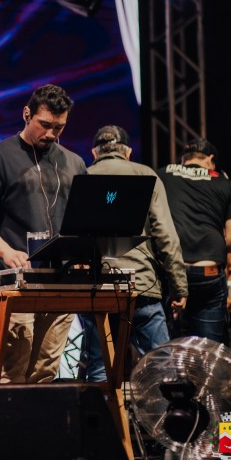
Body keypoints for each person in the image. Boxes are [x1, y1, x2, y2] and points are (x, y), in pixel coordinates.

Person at [0, 84, 87, 384]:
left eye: (59, 127)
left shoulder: (75, 163)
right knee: (12, 372)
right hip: (13, 281)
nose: (51, 134)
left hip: (61, 281)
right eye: (45, 124)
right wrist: (6, 251)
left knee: (46, 371)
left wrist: (84, 254)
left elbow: (82, 219)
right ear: (26, 114)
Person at [79, 125, 189, 382]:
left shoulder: (83, 176)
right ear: (127, 152)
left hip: (97, 288)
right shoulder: (146, 175)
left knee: (100, 366)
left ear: (94, 153)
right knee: (162, 366)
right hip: (141, 286)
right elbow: (166, 236)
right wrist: (179, 288)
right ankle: (165, 409)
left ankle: (105, 410)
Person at [157, 138, 231, 343]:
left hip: (172, 273)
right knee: (207, 349)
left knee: (168, 347)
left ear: (183, 160)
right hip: (208, 274)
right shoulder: (224, 184)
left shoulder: (162, 175)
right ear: (210, 160)